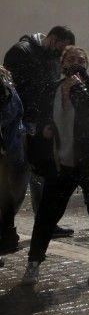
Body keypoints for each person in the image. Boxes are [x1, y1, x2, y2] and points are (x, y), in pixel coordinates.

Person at [21, 47, 89, 287]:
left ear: (87, 65)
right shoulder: (52, 88)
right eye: (71, 59)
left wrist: (77, 90)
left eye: (81, 60)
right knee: (46, 215)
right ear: (62, 63)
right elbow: (44, 115)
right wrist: (46, 127)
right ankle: (33, 264)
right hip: (62, 164)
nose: (76, 63)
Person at [3, 26, 77, 244]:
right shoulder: (21, 51)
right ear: (52, 39)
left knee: (42, 177)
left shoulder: (51, 57)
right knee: (20, 177)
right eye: (60, 49)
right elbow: (12, 91)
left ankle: (46, 222)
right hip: (23, 125)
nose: (60, 55)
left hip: (43, 123)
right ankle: (4, 228)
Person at [0, 66, 28, 257]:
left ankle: (8, 238)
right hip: (9, 148)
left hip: (8, 148)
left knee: (6, 196)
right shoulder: (7, 84)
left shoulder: (5, 84)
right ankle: (8, 237)